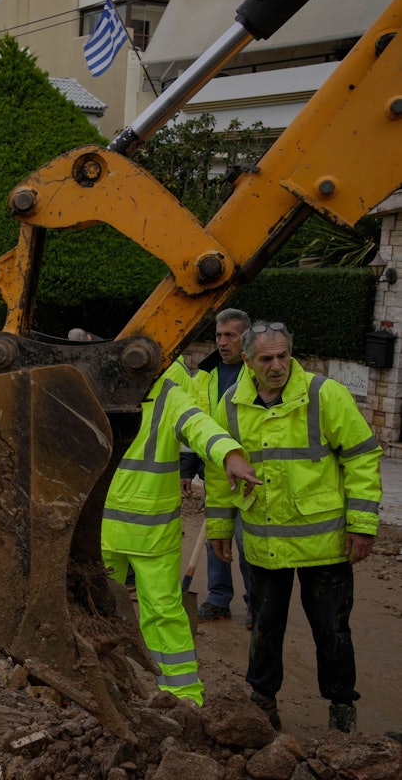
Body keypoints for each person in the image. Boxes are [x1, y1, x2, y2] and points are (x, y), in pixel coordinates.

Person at [204, 321, 381, 733]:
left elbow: (361, 457)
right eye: (266, 358)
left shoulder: (324, 394)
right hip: (265, 542)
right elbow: (218, 471)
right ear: (248, 361)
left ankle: (341, 707)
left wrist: (362, 524)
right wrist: (219, 526)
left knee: (332, 629)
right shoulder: (231, 404)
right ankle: (263, 701)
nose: (277, 365)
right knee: (265, 627)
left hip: (325, 544)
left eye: (283, 355)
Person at [101, 359, 260, 705]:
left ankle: (183, 697)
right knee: (96, 610)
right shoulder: (102, 384)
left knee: (161, 612)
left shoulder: (167, 395)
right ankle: (94, 690)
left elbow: (200, 426)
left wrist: (229, 453)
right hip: (107, 530)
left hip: (146, 532)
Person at [180, 308, 254, 627]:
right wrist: (187, 467)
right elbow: (193, 422)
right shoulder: (205, 375)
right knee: (215, 538)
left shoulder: (257, 372)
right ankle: (218, 599)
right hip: (214, 470)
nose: (222, 342)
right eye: (219, 336)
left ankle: (255, 604)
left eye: (230, 336)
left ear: (245, 338)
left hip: (250, 473)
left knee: (247, 541)